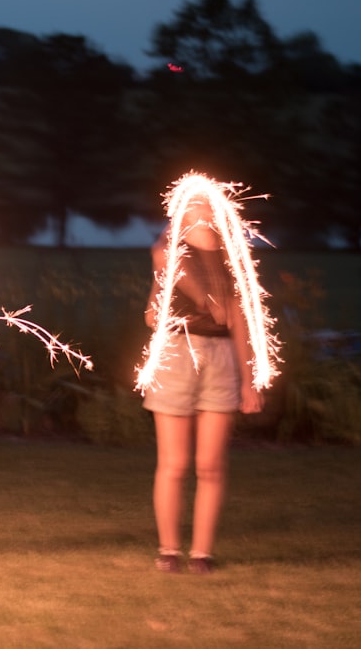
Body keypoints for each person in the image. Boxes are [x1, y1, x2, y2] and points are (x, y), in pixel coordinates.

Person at [143, 195, 263, 575]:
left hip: (223, 359)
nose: (205, 210)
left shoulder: (231, 254)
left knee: (210, 464)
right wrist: (201, 302)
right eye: (196, 204)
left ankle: (201, 554)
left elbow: (239, 320)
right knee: (174, 463)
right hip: (178, 354)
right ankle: (169, 551)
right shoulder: (168, 249)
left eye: (210, 204)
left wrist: (249, 381)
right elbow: (152, 309)